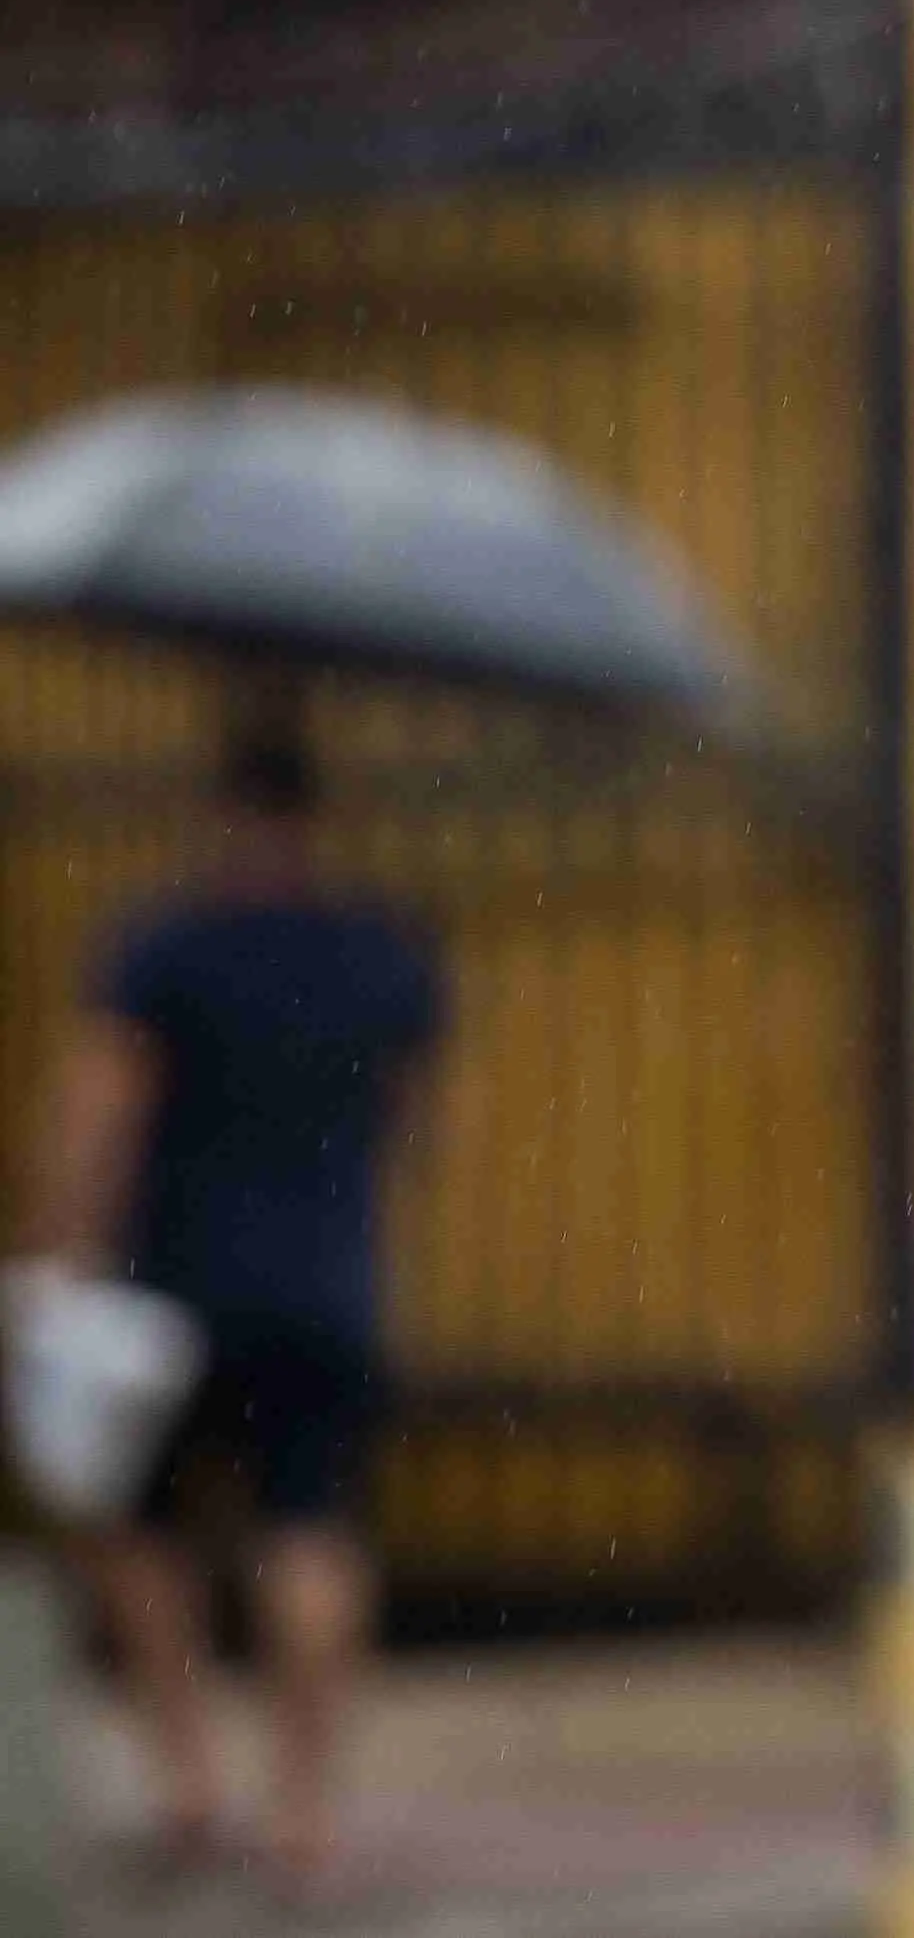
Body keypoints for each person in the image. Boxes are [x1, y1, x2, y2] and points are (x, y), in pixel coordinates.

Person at [19, 696, 440, 1893]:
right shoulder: (384, 953)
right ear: (320, 817)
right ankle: (302, 1811)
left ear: (223, 814)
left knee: (133, 1525)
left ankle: (191, 1774)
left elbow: (102, 1107)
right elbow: (414, 1124)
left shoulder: (164, 944)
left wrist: (58, 1247)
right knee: (311, 1532)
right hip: (328, 1283)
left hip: (177, 1289)